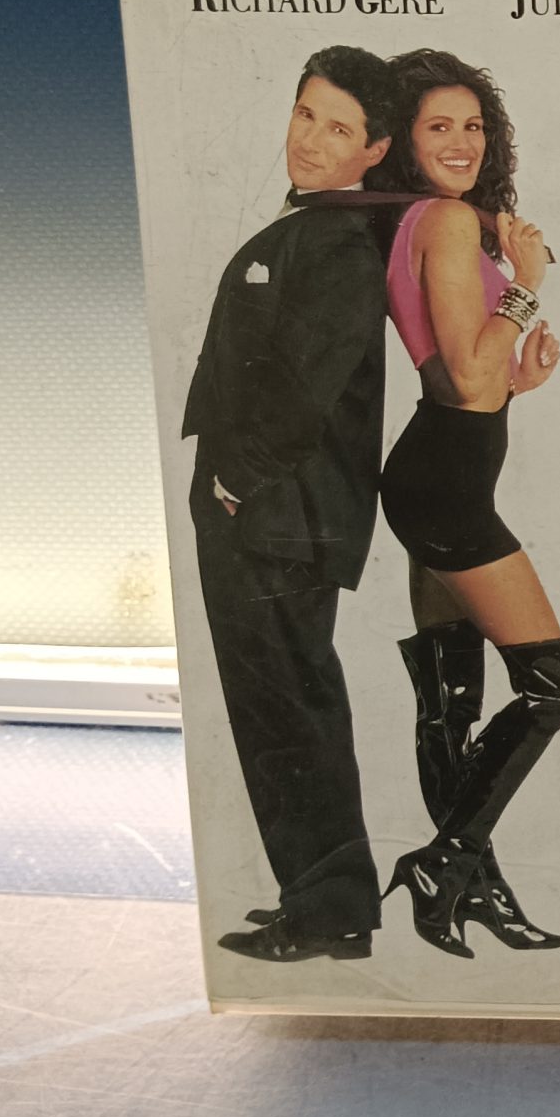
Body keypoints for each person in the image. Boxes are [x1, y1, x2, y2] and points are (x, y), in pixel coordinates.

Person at [184, 47, 403, 963]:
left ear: (374, 150)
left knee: (288, 710)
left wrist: (234, 483)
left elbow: (305, 392)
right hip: (274, 511)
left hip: (277, 514)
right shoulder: (314, 227)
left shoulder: (340, 244)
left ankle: (329, 910)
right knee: (283, 705)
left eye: (338, 128)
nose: (311, 140)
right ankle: (324, 906)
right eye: (306, 114)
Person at [377, 48, 560, 958]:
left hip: (437, 471)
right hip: (447, 489)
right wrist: (530, 281)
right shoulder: (449, 220)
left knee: (449, 698)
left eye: (474, 125)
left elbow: (462, 371)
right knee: (551, 683)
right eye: (440, 126)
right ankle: (445, 860)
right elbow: (466, 375)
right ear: (405, 140)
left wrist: (518, 379)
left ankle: (473, 890)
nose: (462, 142)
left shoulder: (420, 221)